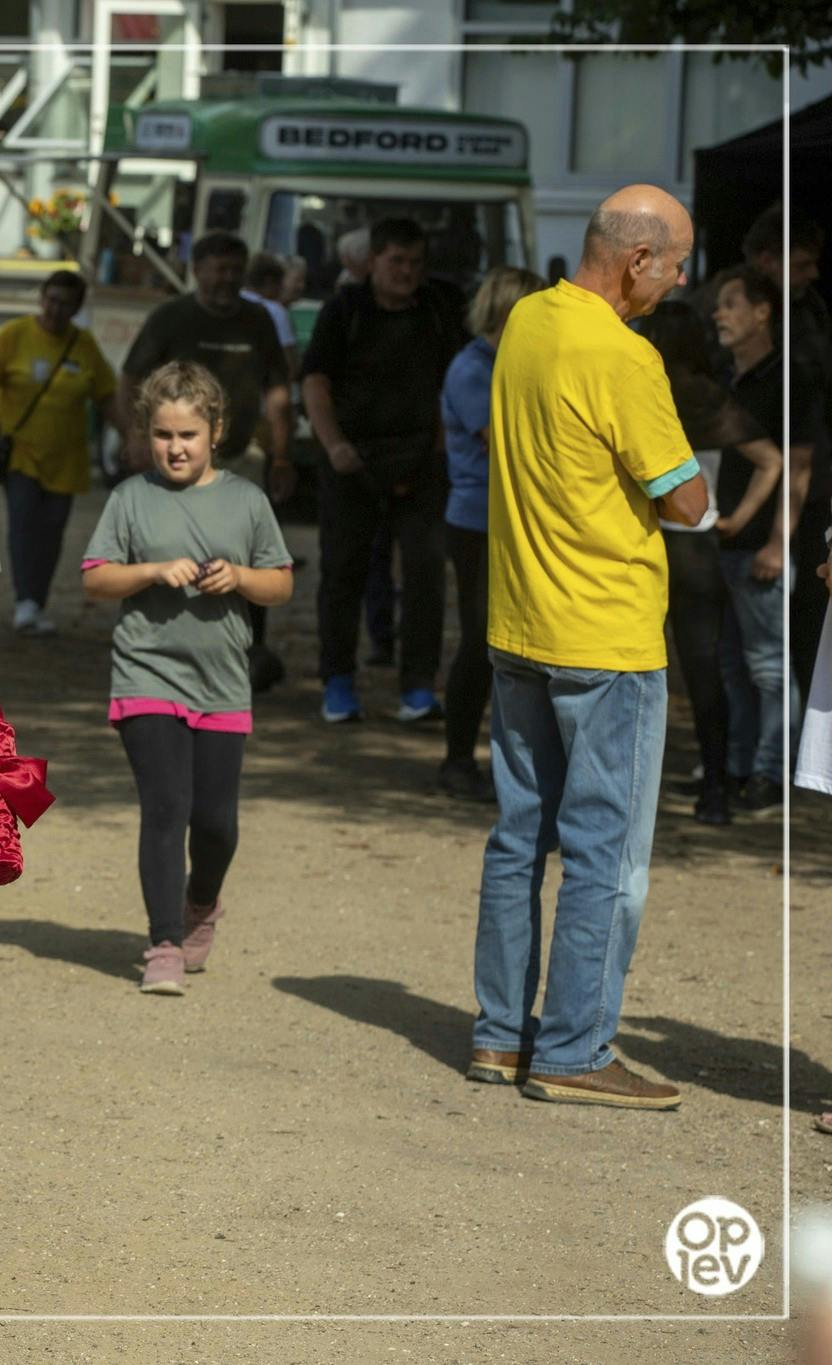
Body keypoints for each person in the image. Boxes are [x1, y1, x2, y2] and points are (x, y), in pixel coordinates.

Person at [468, 184, 708, 1110]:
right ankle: (573, 1048)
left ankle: (499, 1036)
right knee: (606, 851)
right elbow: (685, 498)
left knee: (518, 837)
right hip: (605, 633)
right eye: (678, 261)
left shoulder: (527, 318)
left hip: (519, 621)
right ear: (638, 260)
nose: (682, 279)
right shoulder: (628, 355)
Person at [83, 362, 293, 995]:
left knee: (217, 823)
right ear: (148, 433)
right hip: (145, 673)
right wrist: (150, 572)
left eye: (189, 436)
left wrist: (240, 578)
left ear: (216, 432)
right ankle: (165, 943)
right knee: (166, 807)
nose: (175, 448)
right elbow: (95, 578)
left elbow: (281, 583)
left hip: (223, 681)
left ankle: (203, 901)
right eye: (164, 435)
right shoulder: (130, 498)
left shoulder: (247, 501)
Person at [300, 216, 464, 724]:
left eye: (415, 263)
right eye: (396, 261)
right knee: (343, 574)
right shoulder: (343, 310)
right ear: (373, 262)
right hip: (353, 463)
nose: (407, 272)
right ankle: (338, 683)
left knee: (424, 576)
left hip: (422, 465)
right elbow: (314, 382)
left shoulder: (440, 307)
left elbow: (455, 380)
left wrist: (440, 446)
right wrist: (334, 446)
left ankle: (417, 687)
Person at [122, 231, 295, 690]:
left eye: (235, 270)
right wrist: (136, 436)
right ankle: (165, 651)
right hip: (175, 461)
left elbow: (278, 391)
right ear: (197, 270)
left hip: (240, 457)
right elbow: (132, 375)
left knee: (248, 557)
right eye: (217, 269)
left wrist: (282, 455)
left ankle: (244, 651)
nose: (226, 279)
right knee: (172, 551)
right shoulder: (171, 317)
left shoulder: (258, 319)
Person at [641, 298, 779, 827]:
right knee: (704, 671)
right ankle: (715, 790)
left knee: (631, 668)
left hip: (648, 542)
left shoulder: (647, 395)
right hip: (698, 543)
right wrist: (735, 518)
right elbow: (773, 461)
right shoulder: (710, 399)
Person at [712, 265, 823, 812]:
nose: (718, 314)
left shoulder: (790, 378)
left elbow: (798, 467)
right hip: (723, 541)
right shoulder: (721, 374)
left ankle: (773, 775)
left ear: (763, 313)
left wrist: (780, 544)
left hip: (763, 547)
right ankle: (737, 768)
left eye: (731, 303)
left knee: (769, 667)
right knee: (734, 665)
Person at [437, 265, 547, 802]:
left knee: (510, 646)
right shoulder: (472, 368)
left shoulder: (512, 362)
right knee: (481, 642)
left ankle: (507, 766)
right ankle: (458, 759)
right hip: (479, 522)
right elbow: (505, 441)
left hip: (511, 521)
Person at [0, 269, 125, 636]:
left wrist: (131, 436)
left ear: (77, 307)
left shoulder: (84, 346)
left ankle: (37, 601)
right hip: (22, 453)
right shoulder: (14, 335)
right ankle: (23, 601)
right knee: (23, 525)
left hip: (67, 459)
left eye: (65, 304)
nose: (55, 309)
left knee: (51, 533)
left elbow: (107, 395)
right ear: (42, 298)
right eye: (51, 300)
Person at [745, 206, 832, 698]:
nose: (812, 274)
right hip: (755, 494)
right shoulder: (740, 307)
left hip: (809, 485)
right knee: (758, 642)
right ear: (766, 260)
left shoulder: (810, 309)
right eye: (801, 263)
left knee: (804, 626)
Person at [241, 249, 300, 380]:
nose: (281, 290)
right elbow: (289, 363)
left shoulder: (232, 304)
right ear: (269, 282)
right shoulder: (275, 311)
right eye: (280, 285)